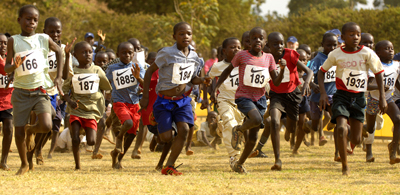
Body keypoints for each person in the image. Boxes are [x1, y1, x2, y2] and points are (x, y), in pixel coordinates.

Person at [140, 22, 211, 175]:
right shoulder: (166, 53)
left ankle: (169, 166)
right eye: (181, 33)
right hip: (164, 99)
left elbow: (192, 79)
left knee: (184, 130)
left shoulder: (194, 57)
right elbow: (149, 72)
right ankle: (159, 125)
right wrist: (145, 97)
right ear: (174, 36)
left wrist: (202, 80)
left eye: (189, 33)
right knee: (166, 137)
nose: (186, 36)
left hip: (183, 100)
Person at [213, 27, 286, 174]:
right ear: (249, 41)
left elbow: (276, 82)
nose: (257, 40)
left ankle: (239, 164)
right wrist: (218, 85)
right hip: (243, 97)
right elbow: (227, 70)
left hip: (260, 99)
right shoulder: (242, 56)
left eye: (261, 38)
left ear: (265, 42)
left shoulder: (269, 58)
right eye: (254, 38)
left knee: (252, 139)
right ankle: (238, 130)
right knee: (258, 119)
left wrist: (282, 69)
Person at [318, 22, 387, 175]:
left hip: (359, 97)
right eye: (351, 34)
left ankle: (351, 130)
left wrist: (382, 96)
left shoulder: (367, 53)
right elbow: (321, 72)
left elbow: (379, 73)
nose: (355, 37)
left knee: (356, 139)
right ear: (342, 37)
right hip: (342, 95)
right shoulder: (336, 54)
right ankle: (345, 166)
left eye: (358, 34)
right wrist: (323, 93)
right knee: (341, 128)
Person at [5, 5, 65, 175]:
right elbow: (7, 67)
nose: (31, 22)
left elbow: (60, 51)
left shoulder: (43, 38)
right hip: (21, 92)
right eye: (28, 19)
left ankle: (30, 129)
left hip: (40, 90)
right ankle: (24, 163)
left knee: (46, 125)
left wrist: (59, 77)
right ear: (19, 20)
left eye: (35, 20)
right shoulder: (13, 41)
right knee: (18, 131)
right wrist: (13, 66)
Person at [266, 32, 313, 171]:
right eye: (275, 44)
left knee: (292, 129)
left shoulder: (290, 54)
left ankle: (288, 128)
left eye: (281, 43)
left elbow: (309, 71)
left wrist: (305, 84)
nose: (279, 46)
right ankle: (277, 160)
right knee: (274, 121)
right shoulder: (266, 58)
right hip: (276, 95)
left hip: (293, 94)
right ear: (268, 46)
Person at [62, 41, 112, 170]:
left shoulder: (97, 70)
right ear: (75, 55)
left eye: (90, 52)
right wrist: (69, 101)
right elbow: (64, 91)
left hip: (91, 110)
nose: (88, 55)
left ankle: (86, 129)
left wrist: (102, 102)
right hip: (76, 109)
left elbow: (105, 88)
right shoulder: (73, 71)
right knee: (75, 139)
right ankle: (77, 165)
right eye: (83, 52)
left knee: (91, 141)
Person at [32, 17, 75, 163]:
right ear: (44, 32)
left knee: (53, 125)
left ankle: (38, 149)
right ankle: (33, 149)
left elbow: (64, 75)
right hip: (39, 90)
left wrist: (67, 55)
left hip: (55, 93)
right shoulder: (38, 48)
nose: (55, 35)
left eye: (58, 32)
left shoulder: (62, 49)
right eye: (51, 32)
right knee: (47, 120)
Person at [294, 33, 339, 156]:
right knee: (314, 126)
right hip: (316, 98)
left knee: (338, 122)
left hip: (332, 95)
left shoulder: (337, 58)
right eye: (329, 45)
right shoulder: (318, 59)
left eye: (335, 45)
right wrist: (313, 86)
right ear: (322, 45)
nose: (332, 48)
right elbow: (305, 74)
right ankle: (306, 126)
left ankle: (337, 153)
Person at [106, 42, 144, 169]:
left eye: (130, 52)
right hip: (119, 102)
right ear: (118, 54)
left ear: (133, 54)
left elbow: (145, 85)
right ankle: (119, 138)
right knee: (128, 124)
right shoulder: (112, 68)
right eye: (124, 52)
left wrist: (138, 78)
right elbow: (106, 83)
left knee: (133, 133)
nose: (127, 55)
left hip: (134, 103)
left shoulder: (138, 67)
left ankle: (117, 159)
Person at [208, 37, 245, 167]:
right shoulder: (217, 66)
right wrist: (212, 91)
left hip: (242, 102)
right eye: (232, 47)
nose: (236, 49)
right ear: (224, 51)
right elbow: (208, 78)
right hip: (225, 101)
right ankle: (233, 158)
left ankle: (220, 129)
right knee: (231, 124)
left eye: (239, 47)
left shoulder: (244, 64)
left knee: (238, 129)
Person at [365, 40, 400, 163]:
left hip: (388, 99)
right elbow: (367, 86)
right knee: (370, 128)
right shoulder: (374, 65)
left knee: (398, 119)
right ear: (378, 53)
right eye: (386, 48)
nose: (390, 50)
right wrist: (380, 88)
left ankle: (393, 151)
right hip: (374, 99)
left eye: (391, 48)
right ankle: (363, 130)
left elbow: (396, 82)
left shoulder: (397, 65)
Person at [0, 33, 13, 171]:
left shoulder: (12, 59)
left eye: (5, 43)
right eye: (0, 43)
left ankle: (3, 161)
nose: (2, 45)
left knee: (9, 129)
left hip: (8, 101)